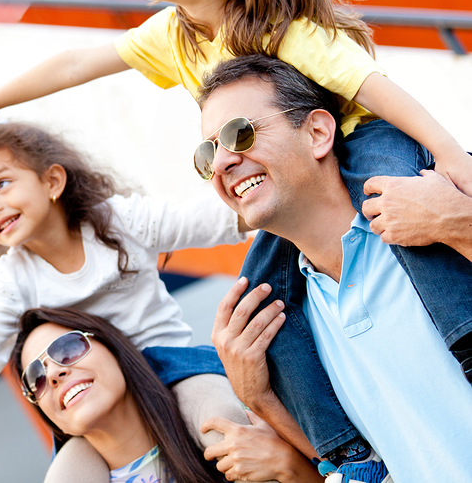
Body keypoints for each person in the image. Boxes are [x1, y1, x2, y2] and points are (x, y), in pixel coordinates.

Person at [0, 0, 472, 474]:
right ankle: (348, 455)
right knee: (261, 307)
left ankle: (464, 339)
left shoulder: (282, 30)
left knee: (412, 218)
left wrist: (447, 153)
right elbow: (80, 59)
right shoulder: (173, 37)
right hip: (296, 165)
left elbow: (373, 86)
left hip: (360, 136)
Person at [0, 122, 249, 483]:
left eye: (2, 184)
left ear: (52, 181)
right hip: (88, 402)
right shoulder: (12, 280)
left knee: (224, 426)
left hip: (172, 373)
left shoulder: (119, 223)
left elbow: (213, 220)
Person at [199, 54, 472, 482]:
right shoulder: (286, 329)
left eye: (240, 133)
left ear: (318, 132)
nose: (220, 164)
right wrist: (259, 396)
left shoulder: (444, 197)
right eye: (206, 154)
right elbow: (357, 468)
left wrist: (462, 225)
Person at [11, 307, 321, 483]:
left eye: (67, 349)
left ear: (116, 350)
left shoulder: (246, 417)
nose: (53, 374)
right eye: (35, 378)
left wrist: (288, 464)